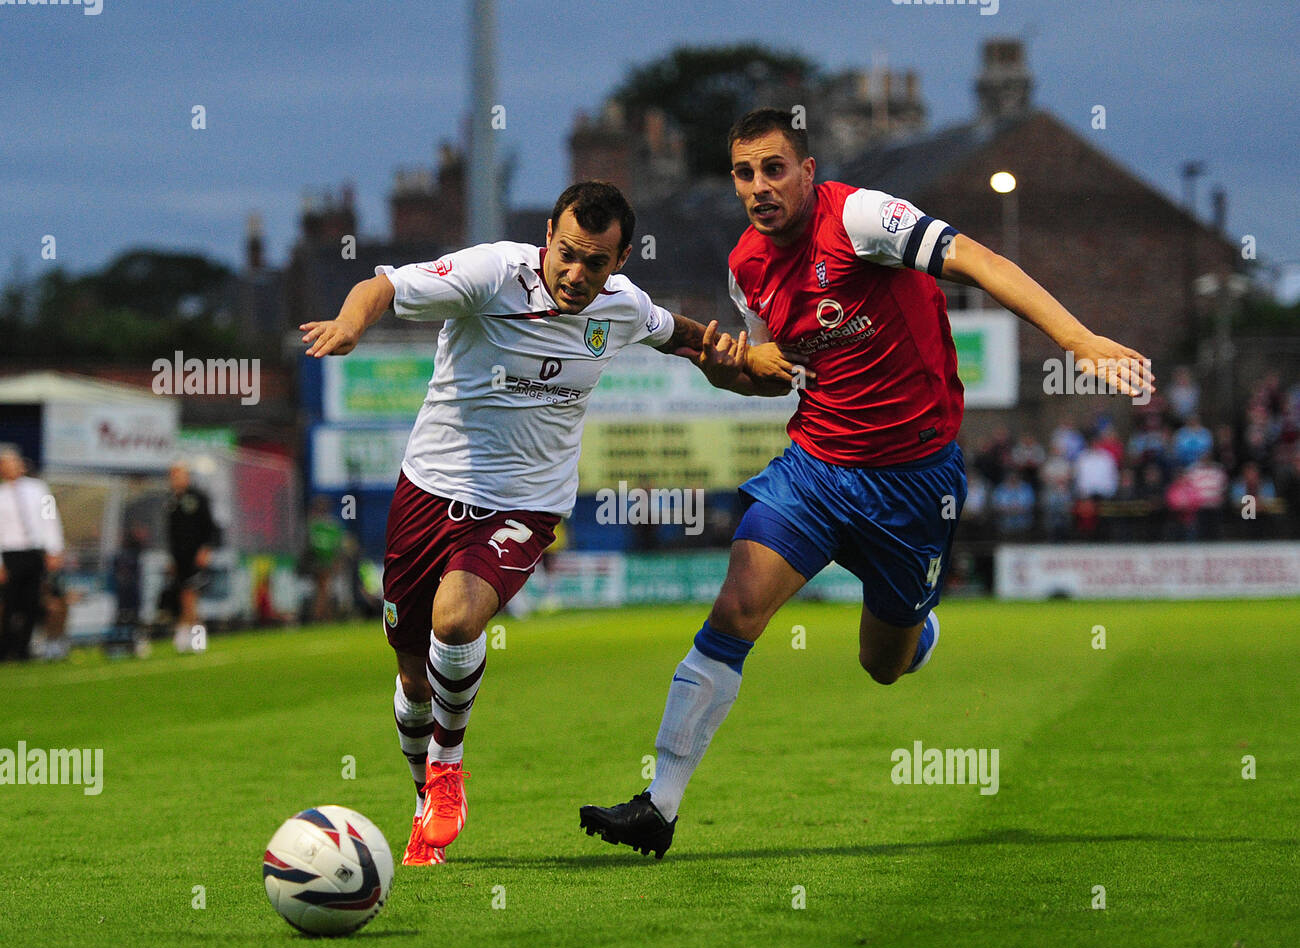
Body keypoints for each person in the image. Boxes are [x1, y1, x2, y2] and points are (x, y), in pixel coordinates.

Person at [580, 108, 1153, 858]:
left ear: (807, 170)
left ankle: (920, 628)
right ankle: (659, 806)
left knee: (883, 664)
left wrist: (1076, 339)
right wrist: (727, 368)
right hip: (817, 469)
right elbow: (772, 376)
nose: (759, 187)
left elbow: (977, 257)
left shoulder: (861, 217)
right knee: (736, 608)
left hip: (914, 482)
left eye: (774, 168)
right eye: (745, 173)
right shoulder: (745, 265)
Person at [299, 180, 790, 867]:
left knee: (457, 619)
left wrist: (745, 367)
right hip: (429, 492)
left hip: (525, 504)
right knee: (413, 681)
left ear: (618, 261)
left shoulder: (622, 308)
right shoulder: (491, 274)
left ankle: (448, 773)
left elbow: (687, 339)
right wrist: (351, 325)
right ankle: (424, 802)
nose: (576, 274)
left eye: (596, 262)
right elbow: (380, 286)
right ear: (548, 239)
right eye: (567, 254)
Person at [0, 446, 64, 662]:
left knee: (32, 601)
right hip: (10, 553)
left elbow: (50, 518)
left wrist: (54, 548)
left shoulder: (38, 489)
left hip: (34, 551)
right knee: (9, 603)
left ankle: (24, 649)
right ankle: (6, 647)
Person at [164, 461, 219, 654]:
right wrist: (170, 558)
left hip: (195, 556)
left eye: (178, 475)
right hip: (178, 557)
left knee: (189, 595)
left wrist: (206, 549)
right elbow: (171, 533)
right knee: (186, 597)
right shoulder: (171, 501)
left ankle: (182, 634)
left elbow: (211, 527)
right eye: (172, 476)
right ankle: (197, 640)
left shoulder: (197, 498)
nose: (175, 479)